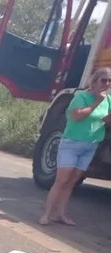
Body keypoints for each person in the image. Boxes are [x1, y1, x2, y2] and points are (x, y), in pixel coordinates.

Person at [39, 67, 111, 226]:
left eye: (109, 81)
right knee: (61, 180)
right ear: (95, 81)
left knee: (72, 182)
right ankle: (46, 214)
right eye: (103, 80)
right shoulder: (82, 97)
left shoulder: (108, 100)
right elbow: (77, 116)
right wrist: (97, 103)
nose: (106, 84)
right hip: (72, 143)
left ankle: (60, 214)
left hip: (90, 146)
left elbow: (106, 120)